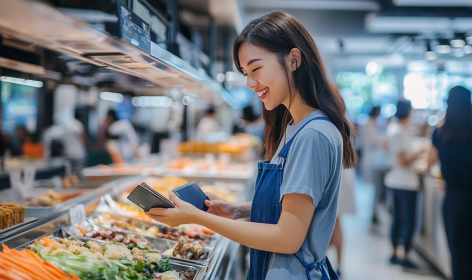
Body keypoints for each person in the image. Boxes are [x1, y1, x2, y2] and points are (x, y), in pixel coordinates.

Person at [145, 11, 357, 280]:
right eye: (246, 72)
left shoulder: (313, 134)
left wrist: (198, 218)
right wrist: (242, 210)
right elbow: (293, 208)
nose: (249, 82)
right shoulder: (295, 126)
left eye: (256, 69)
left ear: (294, 60)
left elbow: (287, 238)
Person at [428, 86, 472, 280]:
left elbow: (430, 162)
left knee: (456, 254)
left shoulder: (439, 134)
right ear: (469, 106)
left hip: (452, 199)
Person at [385, 100, 424, 268]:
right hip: (405, 182)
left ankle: (395, 253)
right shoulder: (399, 132)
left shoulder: (393, 129)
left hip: (396, 180)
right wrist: (420, 151)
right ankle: (405, 255)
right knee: (408, 220)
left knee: (398, 219)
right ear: (408, 112)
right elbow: (403, 161)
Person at [362, 106, 388, 226]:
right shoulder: (368, 124)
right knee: (377, 191)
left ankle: (375, 215)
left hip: (377, 161)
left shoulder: (374, 124)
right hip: (373, 162)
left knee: (378, 191)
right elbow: (373, 140)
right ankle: (374, 217)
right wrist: (383, 141)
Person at [329, 167, 356, 277]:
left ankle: (337, 266)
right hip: (342, 171)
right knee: (335, 221)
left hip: (337, 174)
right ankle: (337, 266)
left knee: (335, 221)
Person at [43, 114, 87, 180]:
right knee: (78, 176)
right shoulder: (76, 124)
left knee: (70, 175)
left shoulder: (62, 128)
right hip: (78, 155)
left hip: (70, 154)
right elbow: (83, 139)